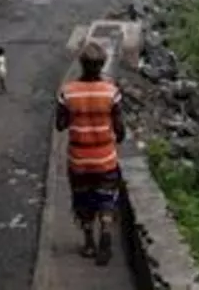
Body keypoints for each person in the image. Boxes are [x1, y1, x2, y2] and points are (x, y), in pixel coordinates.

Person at [55, 40, 126, 265]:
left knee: (83, 200)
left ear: (81, 64)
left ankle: (88, 243)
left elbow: (60, 124)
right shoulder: (111, 92)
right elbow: (120, 129)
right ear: (102, 64)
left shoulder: (68, 92)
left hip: (79, 159)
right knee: (106, 198)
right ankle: (105, 232)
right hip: (105, 158)